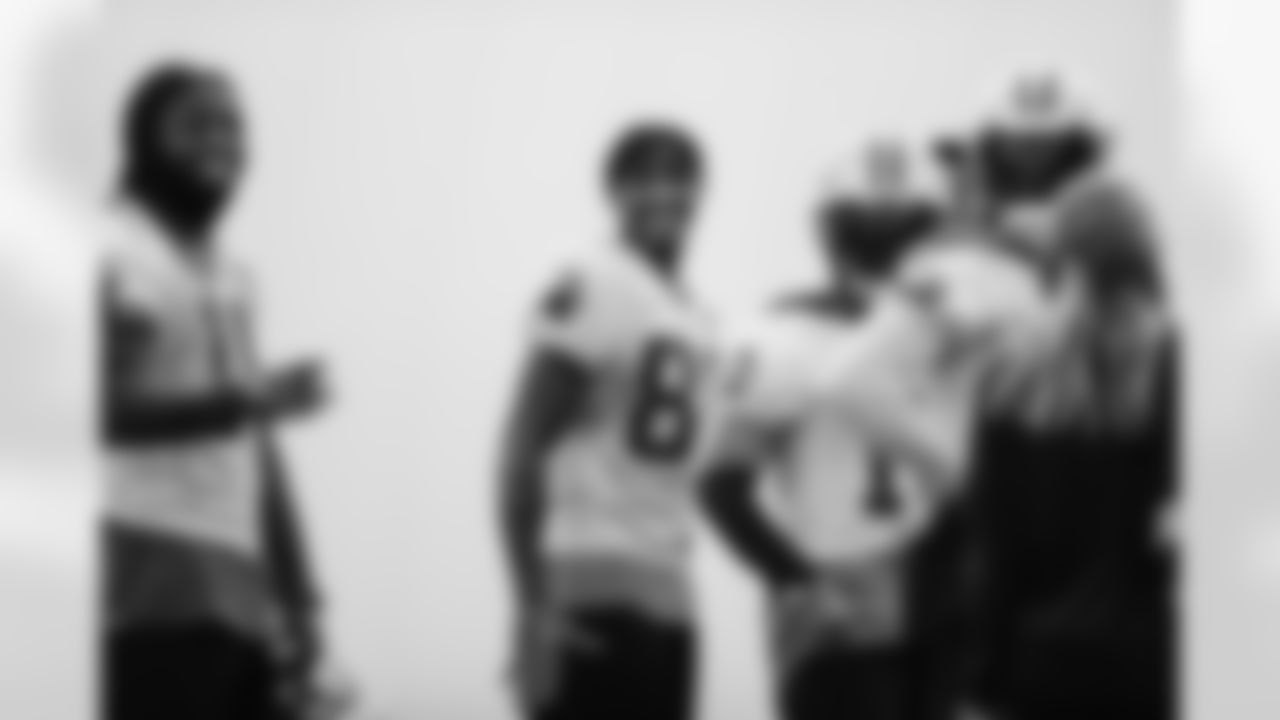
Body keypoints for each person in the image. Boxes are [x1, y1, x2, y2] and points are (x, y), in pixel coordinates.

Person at [701, 141, 1056, 720]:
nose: (883, 245)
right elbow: (721, 486)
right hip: (846, 617)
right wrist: (798, 581)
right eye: (866, 228)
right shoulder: (786, 331)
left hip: (941, 609)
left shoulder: (957, 330)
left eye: (899, 228)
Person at [102, 62, 332, 720]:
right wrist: (243, 404)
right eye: (196, 124)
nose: (219, 141)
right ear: (144, 139)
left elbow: (256, 443)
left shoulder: (232, 273)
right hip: (144, 573)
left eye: (232, 126)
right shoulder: (113, 253)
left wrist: (302, 596)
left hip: (235, 584)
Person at [498, 121, 717, 720]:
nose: (662, 192)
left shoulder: (695, 313)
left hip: (670, 588)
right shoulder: (594, 278)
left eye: (678, 177)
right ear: (613, 192)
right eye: (641, 178)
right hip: (589, 576)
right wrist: (531, 603)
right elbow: (522, 446)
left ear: (700, 192)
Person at [962, 177, 1179, 720]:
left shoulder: (1010, 375)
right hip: (1156, 661)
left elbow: (996, 551)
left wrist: (985, 684)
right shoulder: (1181, 369)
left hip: (1041, 666)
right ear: (1149, 255)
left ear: (1057, 259)